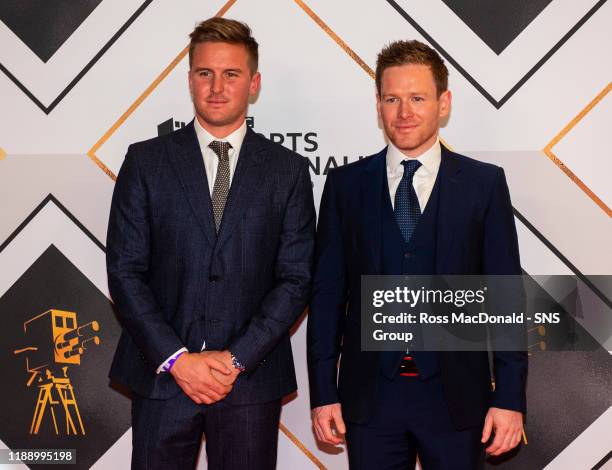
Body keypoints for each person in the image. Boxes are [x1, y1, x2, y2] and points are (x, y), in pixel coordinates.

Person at [307, 39, 527, 469]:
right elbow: (327, 296)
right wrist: (323, 393)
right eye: (392, 99)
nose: (404, 112)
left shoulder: (484, 185)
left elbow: (505, 298)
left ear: (443, 103)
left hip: (456, 399)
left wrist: (510, 397)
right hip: (370, 400)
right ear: (378, 105)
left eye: (417, 98)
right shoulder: (345, 186)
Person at [106, 17, 315, 470]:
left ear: (253, 83)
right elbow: (125, 271)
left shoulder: (288, 171)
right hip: (163, 381)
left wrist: (235, 360)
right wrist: (179, 360)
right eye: (205, 73)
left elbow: (296, 279)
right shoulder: (146, 162)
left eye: (231, 74)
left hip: (249, 384)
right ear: (189, 80)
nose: (217, 87)